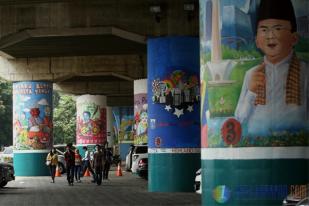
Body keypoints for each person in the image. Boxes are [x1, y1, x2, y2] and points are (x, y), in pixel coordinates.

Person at [235, 0, 308, 136]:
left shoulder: (305, 73)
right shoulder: (251, 74)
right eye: (264, 30)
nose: (270, 36)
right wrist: (251, 92)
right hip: (257, 146)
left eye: (278, 28)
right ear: (257, 41)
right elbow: (239, 119)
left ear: (294, 38)